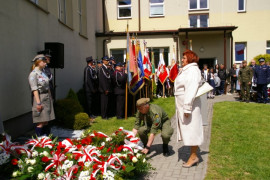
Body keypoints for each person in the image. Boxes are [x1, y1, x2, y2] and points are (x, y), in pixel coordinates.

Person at [174, 50, 204, 168]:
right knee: (189, 130)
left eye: (184, 58)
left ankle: (193, 157)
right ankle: (193, 155)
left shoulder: (192, 71)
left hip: (189, 106)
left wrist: (187, 108)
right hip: (184, 105)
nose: (182, 59)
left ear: (190, 59)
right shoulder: (187, 70)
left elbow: (191, 89)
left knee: (192, 130)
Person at [28, 54, 55, 136]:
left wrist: (50, 97)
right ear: (38, 62)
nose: (45, 63)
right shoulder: (33, 74)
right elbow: (34, 89)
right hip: (40, 97)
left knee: (46, 120)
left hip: (47, 97)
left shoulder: (43, 73)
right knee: (41, 121)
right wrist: (38, 103)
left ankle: (46, 139)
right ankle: (39, 141)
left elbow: (48, 86)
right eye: (43, 61)